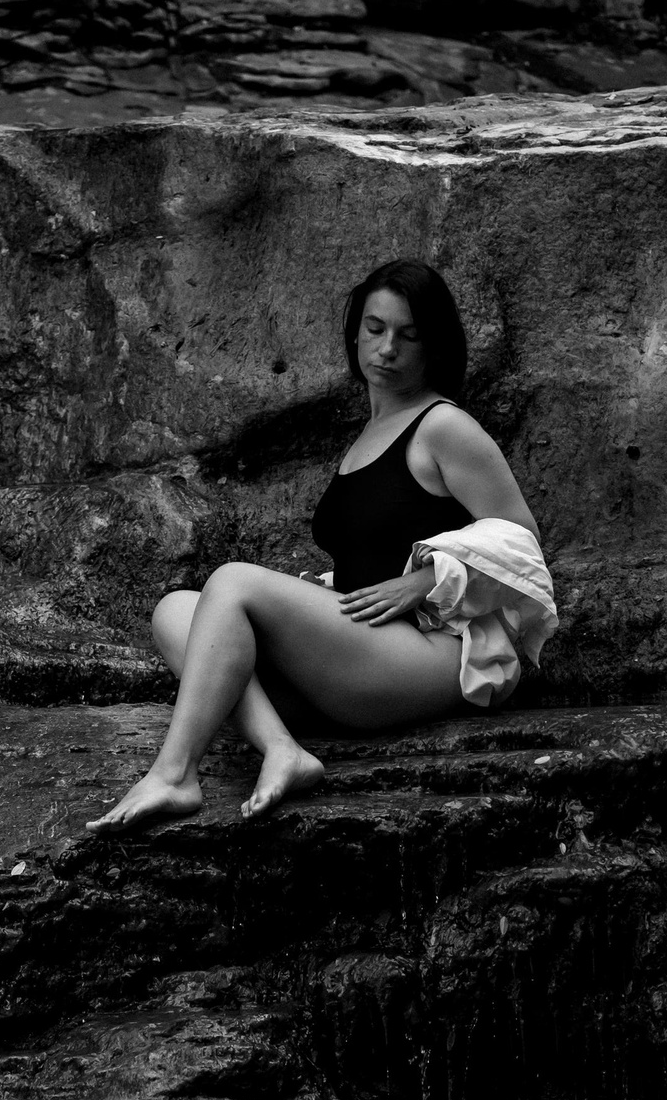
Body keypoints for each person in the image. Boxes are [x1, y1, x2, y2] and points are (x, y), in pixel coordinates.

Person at [87, 261, 544, 833]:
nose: (387, 348)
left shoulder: (443, 426)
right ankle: (282, 749)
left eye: (409, 335)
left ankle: (176, 774)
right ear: (355, 331)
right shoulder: (367, 435)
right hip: (360, 650)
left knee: (232, 581)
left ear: (434, 345)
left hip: (429, 654)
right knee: (177, 610)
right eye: (375, 329)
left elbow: (523, 540)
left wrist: (427, 580)